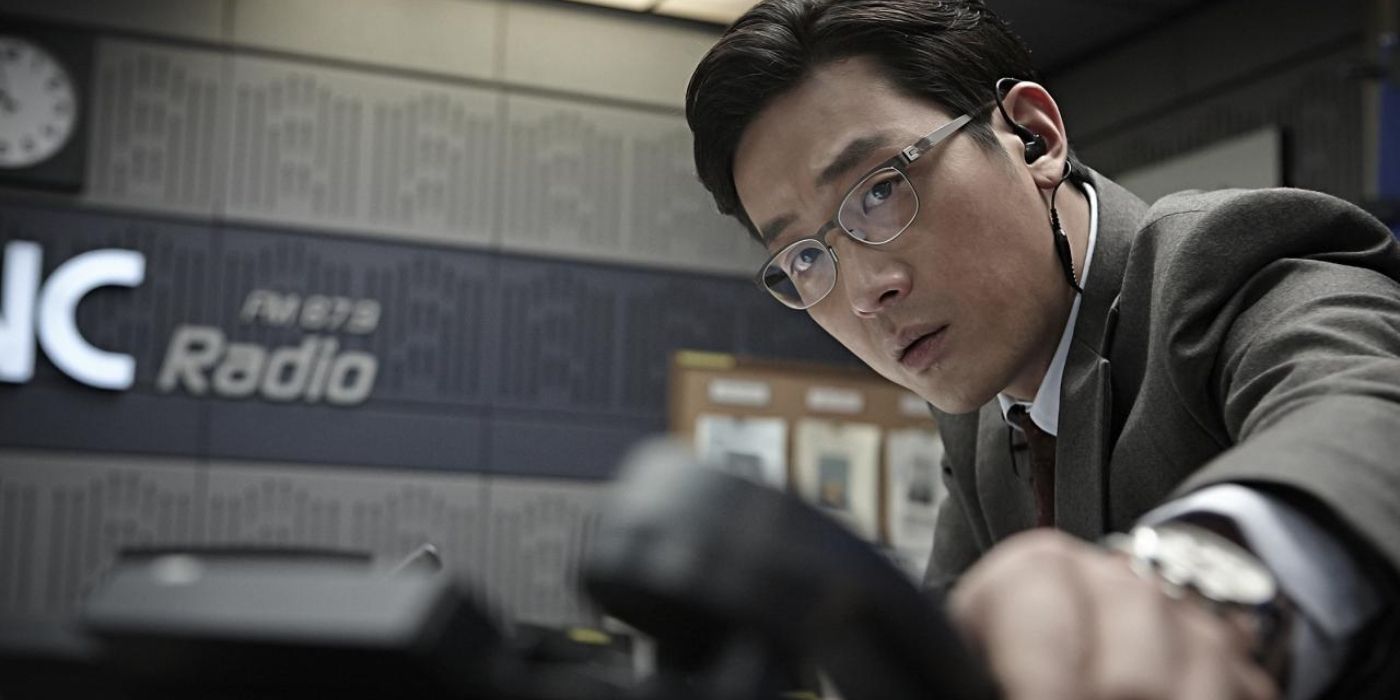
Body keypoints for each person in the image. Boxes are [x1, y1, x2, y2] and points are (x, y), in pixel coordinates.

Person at [684, 1, 1400, 699]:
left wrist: (1201, 582)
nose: (867, 293)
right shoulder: (979, 415)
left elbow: (1366, 412)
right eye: (806, 258)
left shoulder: (1220, 264)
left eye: (879, 191)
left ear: (1033, 136)